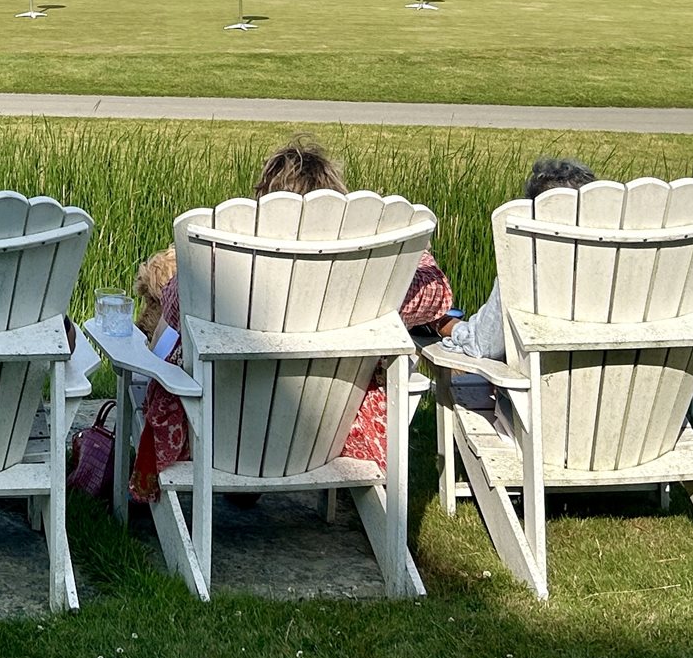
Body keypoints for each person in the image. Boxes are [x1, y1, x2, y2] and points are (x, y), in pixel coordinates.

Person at [127, 141, 454, 500]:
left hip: (227, 438)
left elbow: (174, 308)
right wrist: (404, 258)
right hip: (326, 437)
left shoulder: (233, 274)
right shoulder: (362, 282)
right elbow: (439, 295)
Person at [434, 157, 599, 366]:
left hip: (537, 384)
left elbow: (485, 345)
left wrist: (445, 324)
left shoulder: (525, 262)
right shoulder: (623, 265)